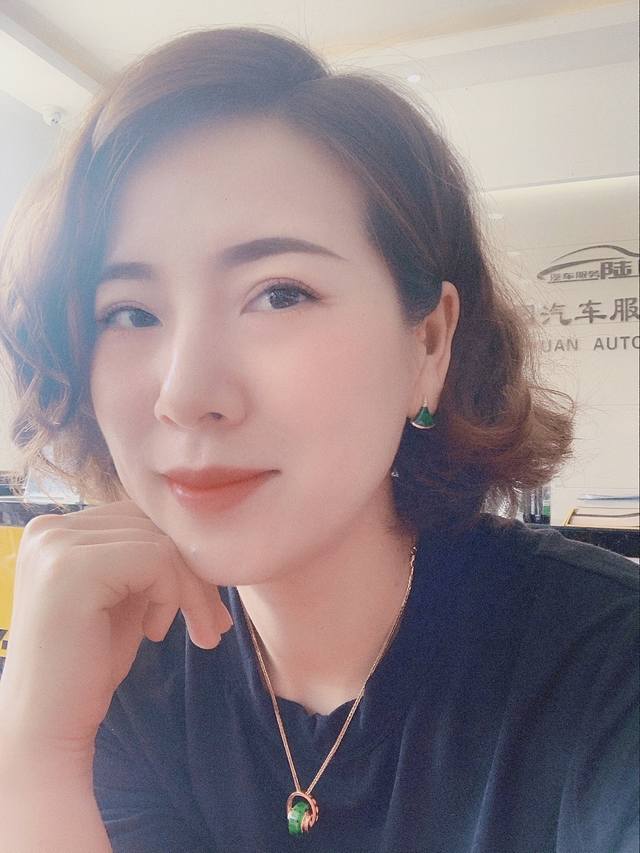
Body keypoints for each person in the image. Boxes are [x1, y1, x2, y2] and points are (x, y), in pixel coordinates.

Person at [0, 27, 637, 853]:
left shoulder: (606, 668)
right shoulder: (115, 669)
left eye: (279, 294)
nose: (184, 395)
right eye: (129, 311)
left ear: (428, 344)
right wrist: (35, 752)